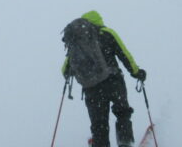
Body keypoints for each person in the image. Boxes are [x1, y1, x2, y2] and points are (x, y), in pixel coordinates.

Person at [61, 10, 146, 147]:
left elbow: (65, 70)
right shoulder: (107, 33)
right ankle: (124, 143)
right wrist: (137, 73)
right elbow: (125, 55)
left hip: (91, 89)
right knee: (122, 113)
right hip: (114, 83)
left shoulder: (77, 42)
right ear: (99, 20)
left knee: (99, 125)